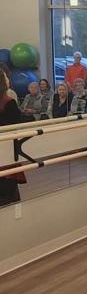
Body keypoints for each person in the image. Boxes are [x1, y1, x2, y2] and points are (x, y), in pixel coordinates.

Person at [0, 72, 26, 205]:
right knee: (8, 195)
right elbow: (15, 126)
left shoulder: (8, 102)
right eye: (5, 77)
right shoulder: (9, 102)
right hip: (5, 152)